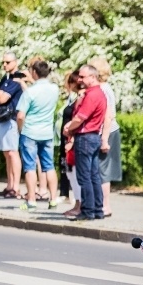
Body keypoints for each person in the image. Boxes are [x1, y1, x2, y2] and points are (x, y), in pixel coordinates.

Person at [63, 64, 107, 221]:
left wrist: (68, 127)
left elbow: (80, 117)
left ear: (93, 77)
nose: (79, 80)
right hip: (94, 136)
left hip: (85, 137)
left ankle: (88, 210)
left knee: (84, 176)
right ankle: (97, 209)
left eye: (82, 77)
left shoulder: (92, 95)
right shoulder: (99, 93)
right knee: (94, 175)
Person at [16, 59, 59, 211]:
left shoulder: (30, 92)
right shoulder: (54, 89)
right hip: (47, 132)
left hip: (30, 132)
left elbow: (20, 115)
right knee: (49, 166)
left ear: (34, 72)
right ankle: (53, 199)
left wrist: (20, 129)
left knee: (30, 167)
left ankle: (32, 200)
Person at [0, 51, 24, 200]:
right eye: (3, 62)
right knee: (6, 153)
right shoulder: (5, 78)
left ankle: (16, 187)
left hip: (11, 119)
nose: (4, 65)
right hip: (2, 118)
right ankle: (9, 185)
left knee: (12, 153)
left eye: (8, 62)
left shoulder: (17, 78)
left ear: (15, 62)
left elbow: (2, 98)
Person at [90, 57, 122, 218]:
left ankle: (105, 205)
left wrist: (104, 139)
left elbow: (108, 116)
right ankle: (101, 204)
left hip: (106, 132)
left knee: (103, 171)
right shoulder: (106, 88)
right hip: (107, 131)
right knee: (101, 170)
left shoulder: (103, 89)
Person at [56, 71, 82, 217]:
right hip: (67, 139)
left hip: (72, 140)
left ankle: (80, 204)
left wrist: (71, 139)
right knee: (69, 172)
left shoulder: (80, 98)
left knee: (75, 173)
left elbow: (78, 119)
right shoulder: (74, 98)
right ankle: (77, 202)